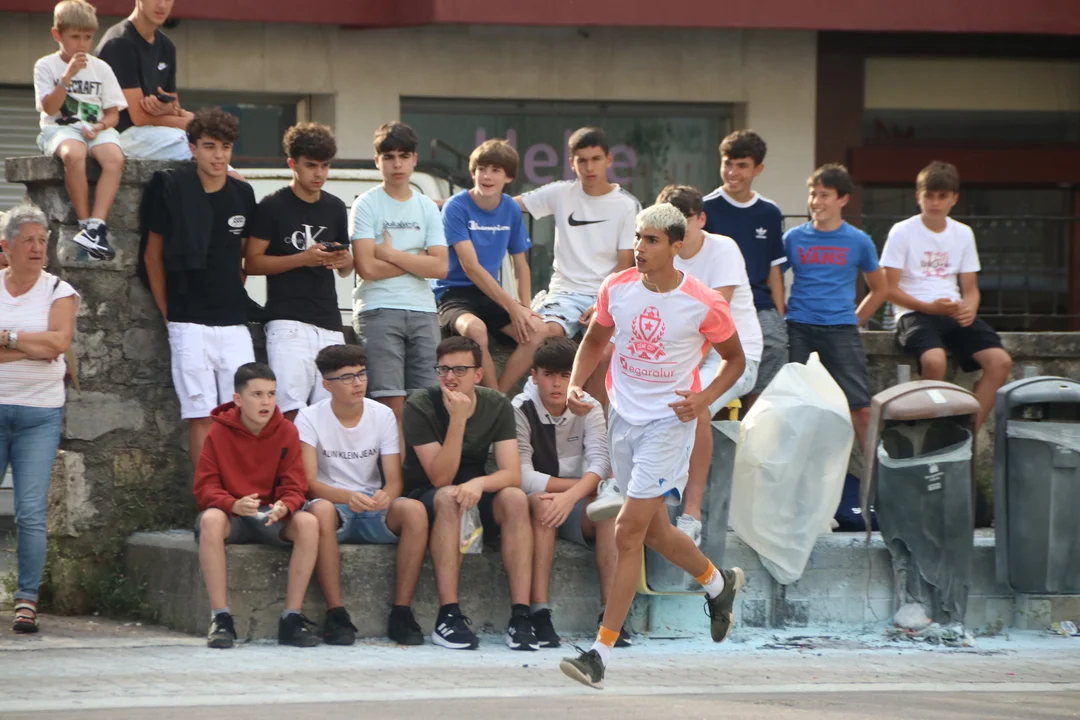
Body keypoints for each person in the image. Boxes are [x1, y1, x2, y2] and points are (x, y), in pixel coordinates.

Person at [559, 204, 746, 689]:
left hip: (669, 422)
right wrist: (576, 383)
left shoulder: (704, 302)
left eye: (652, 240)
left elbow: (735, 360)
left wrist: (703, 399)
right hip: (623, 416)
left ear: (676, 246)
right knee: (656, 533)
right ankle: (719, 584)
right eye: (638, 238)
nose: (639, 248)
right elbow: (594, 341)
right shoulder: (616, 287)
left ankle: (599, 653)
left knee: (626, 531)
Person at [402, 336, 535, 651]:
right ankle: (448, 615)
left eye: (460, 370)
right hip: (428, 493)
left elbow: (511, 474)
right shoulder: (420, 405)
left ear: (478, 374)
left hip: (474, 489)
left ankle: (521, 615)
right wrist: (458, 420)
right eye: (443, 369)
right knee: (449, 496)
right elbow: (440, 477)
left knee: (515, 498)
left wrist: (479, 484)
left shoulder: (496, 404)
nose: (450, 377)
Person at [141, 108, 257, 468]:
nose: (218, 155)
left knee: (244, 414)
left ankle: (241, 495)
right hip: (187, 320)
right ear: (192, 148)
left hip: (234, 321)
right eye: (209, 146)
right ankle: (206, 495)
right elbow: (152, 256)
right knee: (202, 415)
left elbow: (242, 257)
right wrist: (168, 312)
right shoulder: (171, 188)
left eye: (225, 147)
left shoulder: (243, 194)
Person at [296, 344, 431, 646]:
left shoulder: (382, 414)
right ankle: (336, 614)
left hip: (372, 504)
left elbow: (394, 480)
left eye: (362, 374)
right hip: (334, 505)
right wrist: (345, 497)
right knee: (319, 511)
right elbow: (308, 483)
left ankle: (401, 612)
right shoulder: (308, 417)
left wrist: (386, 496)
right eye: (347, 377)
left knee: (414, 510)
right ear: (327, 385)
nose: (358, 383)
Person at [193, 362, 334, 649]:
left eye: (271, 394)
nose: (266, 402)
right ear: (238, 399)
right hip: (232, 514)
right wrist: (233, 504)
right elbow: (205, 487)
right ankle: (221, 619)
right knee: (210, 520)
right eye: (257, 395)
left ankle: (291, 618)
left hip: (270, 515)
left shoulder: (287, 431)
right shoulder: (218, 432)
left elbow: (295, 485)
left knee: (308, 522)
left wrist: (286, 506)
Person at [656, 185, 764, 545]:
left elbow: (712, 321)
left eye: (681, 220)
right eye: (666, 220)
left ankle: (692, 513)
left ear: (700, 219)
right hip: (683, 354)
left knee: (694, 403)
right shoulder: (661, 253)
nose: (673, 228)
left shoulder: (724, 249)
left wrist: (673, 370)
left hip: (735, 356)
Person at [513, 336, 629, 649]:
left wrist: (573, 496)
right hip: (544, 501)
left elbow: (601, 464)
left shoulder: (589, 406)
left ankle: (611, 616)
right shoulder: (520, 408)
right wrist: (573, 492)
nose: (556, 384)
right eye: (549, 375)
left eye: (565, 375)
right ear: (534, 376)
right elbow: (522, 475)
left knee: (610, 511)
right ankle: (540, 612)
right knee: (543, 505)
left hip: (579, 502)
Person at [880, 161, 1012, 430]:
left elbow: (971, 289)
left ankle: (966, 434)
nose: (935, 202)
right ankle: (930, 430)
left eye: (942, 196)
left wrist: (969, 308)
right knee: (934, 360)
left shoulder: (963, 233)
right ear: (918, 197)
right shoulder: (902, 231)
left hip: (951, 310)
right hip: (914, 311)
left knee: (1000, 362)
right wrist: (927, 307)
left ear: (954, 198)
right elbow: (888, 289)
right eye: (929, 195)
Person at [515, 126, 640, 407]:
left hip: (606, 296)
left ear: (609, 160)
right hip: (564, 294)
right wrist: (442, 205)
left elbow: (625, 265)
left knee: (604, 356)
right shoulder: (561, 193)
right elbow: (504, 206)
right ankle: (507, 403)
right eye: (582, 160)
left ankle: (592, 422)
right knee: (542, 334)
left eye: (595, 159)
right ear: (572, 163)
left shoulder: (626, 205)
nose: (589, 167)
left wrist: (601, 302)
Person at [0, 204, 79, 634]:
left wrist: (8, 339)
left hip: (39, 417)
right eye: (28, 240)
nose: (37, 248)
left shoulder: (59, 291)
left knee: (30, 512)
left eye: (42, 240)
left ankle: (26, 600)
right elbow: (45, 347)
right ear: (6, 246)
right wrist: (35, 346)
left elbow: (58, 344)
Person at [245, 123, 353, 420]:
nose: (319, 173)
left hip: (330, 322)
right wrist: (302, 259)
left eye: (325, 166)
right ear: (292, 164)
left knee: (332, 415)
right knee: (290, 412)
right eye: (311, 165)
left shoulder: (335, 207)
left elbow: (347, 269)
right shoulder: (272, 205)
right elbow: (252, 263)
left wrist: (344, 260)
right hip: (287, 321)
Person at [351, 122, 448, 426]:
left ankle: (418, 461)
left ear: (414, 159)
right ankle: (395, 461)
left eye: (404, 156)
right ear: (376, 160)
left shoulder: (426, 206)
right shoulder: (365, 204)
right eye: (389, 156)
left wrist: (391, 254)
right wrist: (418, 260)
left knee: (427, 403)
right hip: (378, 308)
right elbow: (366, 268)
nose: (397, 164)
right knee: (388, 403)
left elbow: (441, 267)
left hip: (423, 310)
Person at [783, 164, 888, 445]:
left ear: (843, 199)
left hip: (841, 330)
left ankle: (875, 474)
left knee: (861, 410)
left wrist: (855, 320)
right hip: (799, 328)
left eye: (824, 195)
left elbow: (880, 289)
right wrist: (781, 313)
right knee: (795, 409)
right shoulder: (793, 238)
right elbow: (771, 277)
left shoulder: (859, 241)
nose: (816, 202)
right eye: (813, 194)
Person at [436, 139, 547, 393]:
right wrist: (512, 306)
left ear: (508, 177)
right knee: (476, 330)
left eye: (495, 170)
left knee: (538, 330)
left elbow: (521, 265)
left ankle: (499, 398)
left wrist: (524, 309)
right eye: (481, 169)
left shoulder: (510, 208)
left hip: (490, 294)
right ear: (473, 172)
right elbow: (470, 267)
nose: (487, 176)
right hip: (453, 293)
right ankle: (493, 398)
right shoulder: (456, 207)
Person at [34, 0, 125, 260]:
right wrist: (67, 77)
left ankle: (97, 226)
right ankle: (85, 225)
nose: (82, 44)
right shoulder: (45, 66)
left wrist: (100, 126)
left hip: (96, 128)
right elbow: (49, 108)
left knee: (114, 159)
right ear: (57, 35)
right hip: (60, 129)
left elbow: (113, 113)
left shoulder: (101, 68)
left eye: (88, 37)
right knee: (74, 155)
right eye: (75, 37)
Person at [702, 130, 787, 407]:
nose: (733, 172)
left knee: (777, 342)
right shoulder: (705, 208)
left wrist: (779, 316)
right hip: (717, 301)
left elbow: (775, 272)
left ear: (758, 169)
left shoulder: (770, 212)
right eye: (728, 163)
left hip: (759, 304)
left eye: (742, 165)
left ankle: (755, 418)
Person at [96, 0, 195, 161]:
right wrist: (190, 124)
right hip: (118, 135)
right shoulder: (119, 43)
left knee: (209, 147)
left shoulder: (167, 46)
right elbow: (139, 117)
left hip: (156, 132)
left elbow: (175, 106)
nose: (162, 5)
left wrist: (167, 109)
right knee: (198, 151)